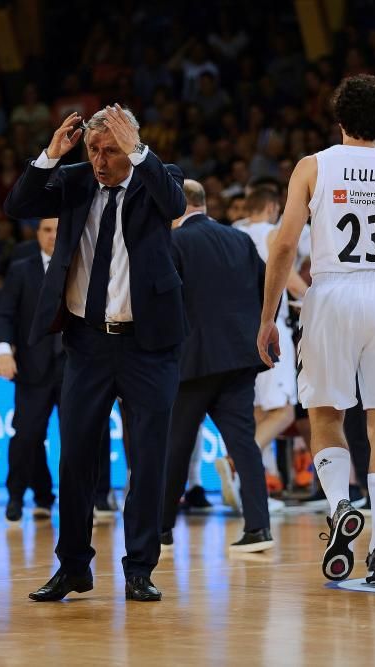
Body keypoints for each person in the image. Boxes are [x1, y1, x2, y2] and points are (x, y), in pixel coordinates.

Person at [258, 74, 375, 587]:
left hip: (333, 293)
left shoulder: (313, 167)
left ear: (338, 118)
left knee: (325, 414)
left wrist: (267, 316)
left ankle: (342, 504)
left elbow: (282, 247)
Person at [4, 105, 186, 602]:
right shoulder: (77, 179)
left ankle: (140, 568)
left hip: (148, 346)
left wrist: (138, 151)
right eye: (94, 150)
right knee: (76, 458)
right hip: (86, 342)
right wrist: (50, 155)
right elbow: (17, 205)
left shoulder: (159, 176)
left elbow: (174, 206)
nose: (100, 161)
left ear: (129, 146)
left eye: (110, 150)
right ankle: (73, 567)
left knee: (147, 459)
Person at [161, 180, 273, 553]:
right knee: (243, 443)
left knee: (176, 446)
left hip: (194, 361)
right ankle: (258, 527)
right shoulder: (239, 240)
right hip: (240, 358)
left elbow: (165, 299)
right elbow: (265, 285)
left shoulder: (175, 242)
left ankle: (160, 529)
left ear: (178, 203)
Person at [224, 185, 306, 506]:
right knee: (284, 412)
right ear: (273, 207)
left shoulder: (232, 233)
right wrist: (317, 297)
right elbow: (291, 282)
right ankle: (234, 463)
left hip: (239, 331)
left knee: (258, 414)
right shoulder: (274, 234)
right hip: (270, 330)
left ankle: (251, 493)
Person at [0, 217, 61, 522]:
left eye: (58, 230)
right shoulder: (21, 270)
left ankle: (99, 498)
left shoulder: (83, 262)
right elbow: (4, 314)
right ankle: (18, 496)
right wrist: (4, 351)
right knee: (27, 436)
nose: (52, 236)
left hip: (78, 367)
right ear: (37, 234)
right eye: (47, 230)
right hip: (33, 368)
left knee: (88, 434)